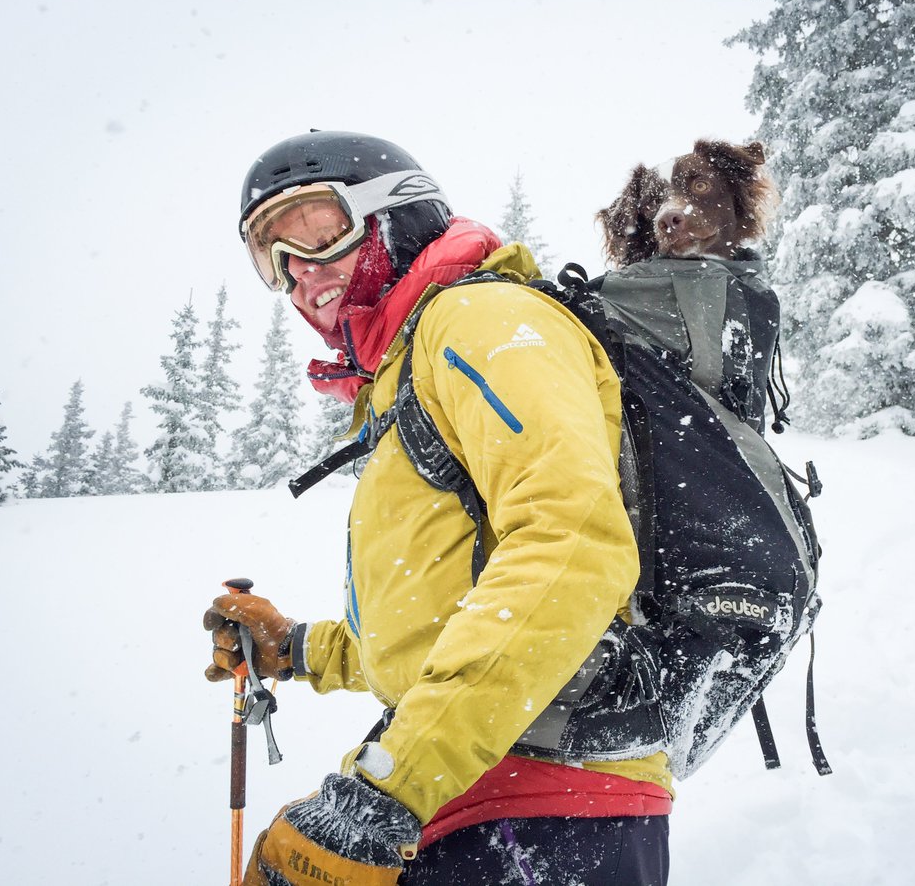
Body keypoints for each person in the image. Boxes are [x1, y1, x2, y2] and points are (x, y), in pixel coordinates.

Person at [204, 131, 672, 886]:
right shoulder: (403, 375)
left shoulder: (478, 321)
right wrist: (295, 650)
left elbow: (574, 544)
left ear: (395, 215)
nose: (302, 273)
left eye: (321, 231)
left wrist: (387, 786)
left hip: (543, 797)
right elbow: (435, 630)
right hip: (471, 787)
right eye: (276, 258)